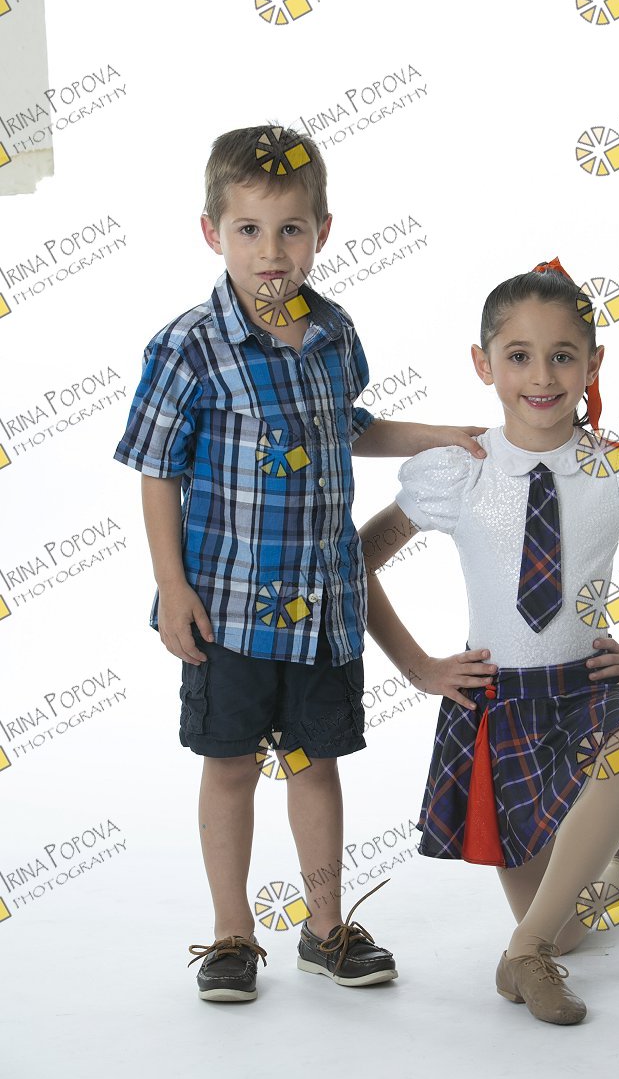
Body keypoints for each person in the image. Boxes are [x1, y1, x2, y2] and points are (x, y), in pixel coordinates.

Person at [114, 123, 486, 1002]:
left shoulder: (333, 332)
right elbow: (158, 471)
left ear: (322, 230)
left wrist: (442, 435)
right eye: (249, 230)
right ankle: (231, 935)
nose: (271, 252)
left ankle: (325, 928)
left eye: (291, 230)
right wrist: (171, 585)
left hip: (323, 611)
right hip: (229, 609)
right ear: (212, 232)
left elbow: (348, 428)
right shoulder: (189, 347)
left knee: (315, 764)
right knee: (231, 766)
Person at [360, 259, 619, 1025]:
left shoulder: (614, 469)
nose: (541, 376)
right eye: (519, 356)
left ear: (592, 363)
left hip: (588, 690)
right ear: (484, 364)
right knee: (571, 929)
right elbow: (357, 563)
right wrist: (418, 666)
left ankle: (523, 955)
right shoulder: (457, 472)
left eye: (563, 356)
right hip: (502, 707)